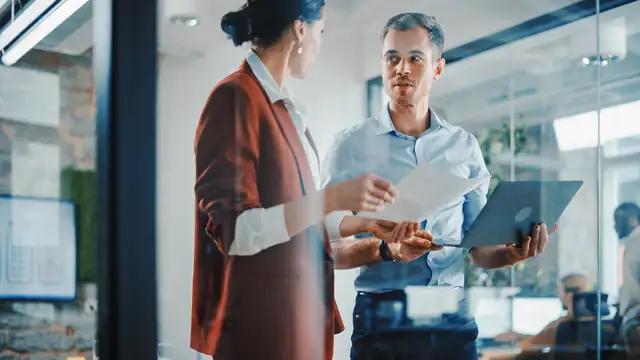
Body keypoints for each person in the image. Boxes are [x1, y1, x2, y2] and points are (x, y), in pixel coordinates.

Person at [190, 1, 436, 359]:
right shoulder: (235, 98)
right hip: (262, 330)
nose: (320, 44)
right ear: (299, 30)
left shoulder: (280, 108)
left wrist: (367, 225)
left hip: (295, 322)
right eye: (321, 31)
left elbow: (295, 221)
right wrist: (333, 196)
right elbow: (236, 231)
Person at [323, 12, 555, 360]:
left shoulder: (464, 147)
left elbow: (479, 249)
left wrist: (512, 254)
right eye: (393, 58)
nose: (402, 68)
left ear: (437, 69)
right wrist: (384, 249)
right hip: (384, 319)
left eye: (415, 58)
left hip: (452, 318)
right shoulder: (350, 146)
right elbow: (323, 247)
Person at [494, 274, 592, 350]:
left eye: (560, 291)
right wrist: (519, 336)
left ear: (569, 294)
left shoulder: (563, 325)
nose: (558, 295)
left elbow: (530, 345)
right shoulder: (594, 323)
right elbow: (544, 339)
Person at [615, 202, 640, 351]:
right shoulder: (631, 243)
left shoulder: (636, 243)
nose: (615, 226)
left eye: (618, 219)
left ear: (632, 220)